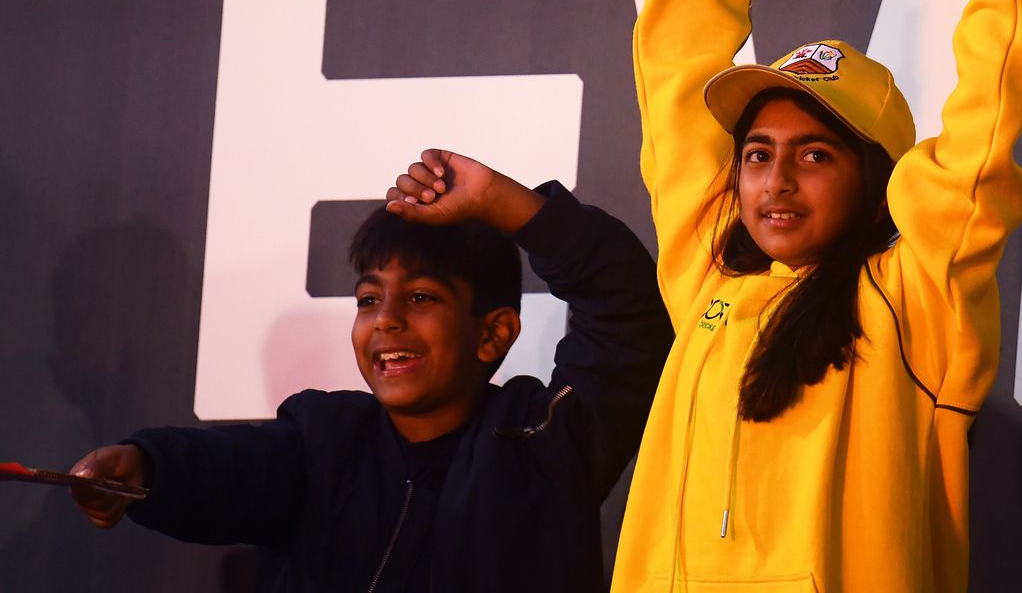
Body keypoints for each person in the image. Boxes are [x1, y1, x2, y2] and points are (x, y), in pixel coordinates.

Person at [613, 0, 1022, 591]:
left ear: (878, 177)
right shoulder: (706, 277)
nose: (775, 182)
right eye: (757, 155)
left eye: (815, 155)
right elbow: (675, 82)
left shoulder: (914, 296)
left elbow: (986, 118)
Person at [68, 151, 671, 592]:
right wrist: (145, 465)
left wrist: (494, 198)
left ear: (493, 333)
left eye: (421, 298)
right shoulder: (321, 439)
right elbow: (225, 468)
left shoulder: (544, 443)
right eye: (367, 299)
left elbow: (627, 312)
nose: (384, 321)